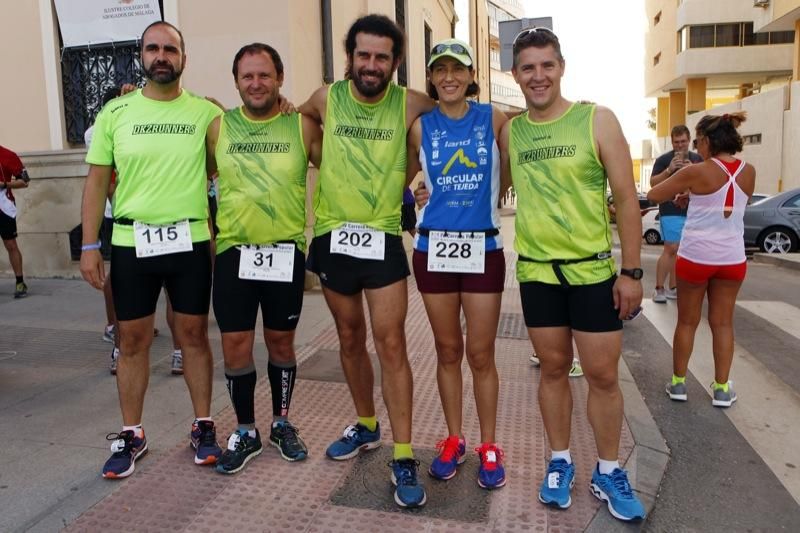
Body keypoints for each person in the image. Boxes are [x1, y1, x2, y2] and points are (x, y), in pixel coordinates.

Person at [502, 28, 645, 521]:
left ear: (561, 67)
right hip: (538, 272)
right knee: (554, 370)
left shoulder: (596, 120)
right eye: (527, 68)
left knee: (603, 376)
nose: (538, 76)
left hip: (592, 273)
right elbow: (482, 178)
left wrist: (631, 271)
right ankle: (560, 461)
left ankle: (608, 470)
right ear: (515, 74)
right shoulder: (510, 131)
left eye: (546, 65)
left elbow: (626, 199)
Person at [299, 14, 435, 508]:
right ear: (349, 57)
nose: (371, 65)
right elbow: (301, 122)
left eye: (381, 57)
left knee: (391, 341)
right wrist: (320, 156)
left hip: (380, 239)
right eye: (363, 55)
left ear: (395, 63)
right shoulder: (325, 97)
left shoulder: (410, 102)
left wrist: (417, 173)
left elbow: (454, 118)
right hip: (334, 236)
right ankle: (366, 424)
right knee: (350, 337)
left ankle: (402, 453)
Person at [80, 21, 223, 479]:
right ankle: (132, 433)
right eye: (153, 48)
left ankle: (203, 426)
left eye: (171, 49)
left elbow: (228, 166)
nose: (162, 55)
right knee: (133, 341)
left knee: (194, 336)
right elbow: (97, 182)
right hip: (130, 242)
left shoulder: (205, 113)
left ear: (184, 57)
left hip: (190, 240)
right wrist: (89, 245)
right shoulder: (116, 113)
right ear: (141, 56)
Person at [207, 43, 322, 474]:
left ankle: (281, 423)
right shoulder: (218, 127)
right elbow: (194, 173)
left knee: (280, 343)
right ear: (236, 82)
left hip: (284, 253)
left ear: (280, 78)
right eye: (247, 76)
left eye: (264, 75)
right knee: (235, 344)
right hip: (235, 253)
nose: (256, 83)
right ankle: (245, 429)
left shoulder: (301, 125)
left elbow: (339, 164)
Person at [406, 38, 509, 489]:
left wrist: (499, 192)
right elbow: (402, 180)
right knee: (448, 350)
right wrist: (414, 195)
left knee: (481, 354)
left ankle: (489, 444)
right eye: (440, 69)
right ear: (431, 77)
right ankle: (454, 438)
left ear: (471, 76)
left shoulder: (494, 118)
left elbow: (510, 171)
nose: (449, 76)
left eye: (458, 69)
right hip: (434, 250)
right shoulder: (419, 126)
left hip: (483, 250)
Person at [648, 112, 754, 408]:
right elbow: (728, 203)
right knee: (722, 324)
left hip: (696, 256)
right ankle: (722, 389)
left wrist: (678, 180)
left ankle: (679, 383)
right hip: (732, 259)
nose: (696, 146)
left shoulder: (697, 170)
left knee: (687, 321)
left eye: (697, 141)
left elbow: (655, 194)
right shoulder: (749, 171)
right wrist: (693, 198)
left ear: (707, 141)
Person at [649, 125, 703, 303]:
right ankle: (659, 289)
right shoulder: (664, 159)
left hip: (693, 210)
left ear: (689, 141)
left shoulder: (698, 159)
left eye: (683, 141)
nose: (680, 145)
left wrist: (693, 169)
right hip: (670, 208)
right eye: (676, 142)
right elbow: (653, 183)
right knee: (671, 247)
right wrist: (669, 170)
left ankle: (673, 287)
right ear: (672, 142)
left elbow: (705, 183)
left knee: (682, 251)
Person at [0, 145, 30, 298]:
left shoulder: (8, 155)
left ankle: (20, 282)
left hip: (3, 206)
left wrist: (5, 184)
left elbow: (25, 181)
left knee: (10, 244)